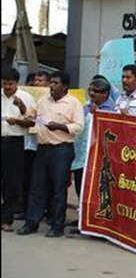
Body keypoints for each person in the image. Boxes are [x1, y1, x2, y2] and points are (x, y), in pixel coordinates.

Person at [16, 71, 85, 238]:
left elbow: (79, 126)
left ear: (65, 86)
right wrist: (21, 107)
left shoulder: (73, 103)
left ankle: (57, 225)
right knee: (37, 187)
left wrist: (60, 126)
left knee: (58, 189)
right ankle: (31, 222)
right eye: (51, 83)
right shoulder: (43, 100)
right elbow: (32, 117)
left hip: (61, 149)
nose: (51, 86)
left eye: (55, 83)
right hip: (43, 148)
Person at [70, 75, 115, 230]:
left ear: (106, 94)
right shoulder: (86, 106)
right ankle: (82, 217)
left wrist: (99, 115)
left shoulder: (112, 110)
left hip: (98, 158)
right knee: (80, 188)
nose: (93, 94)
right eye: (91, 90)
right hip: (81, 155)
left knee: (94, 191)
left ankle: (93, 222)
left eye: (97, 91)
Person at [2, 68, 36, 232]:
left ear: (17, 83)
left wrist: (19, 114)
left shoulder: (26, 98)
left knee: (11, 182)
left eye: (10, 83)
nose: (7, 87)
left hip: (15, 142)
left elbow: (31, 123)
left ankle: (6, 219)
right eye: (4, 83)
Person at [20, 71, 51, 221]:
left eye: (40, 80)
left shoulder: (49, 100)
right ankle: (26, 209)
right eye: (35, 81)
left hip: (44, 144)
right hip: (28, 144)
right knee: (27, 179)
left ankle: (45, 210)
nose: (37, 83)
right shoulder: (29, 98)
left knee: (42, 181)